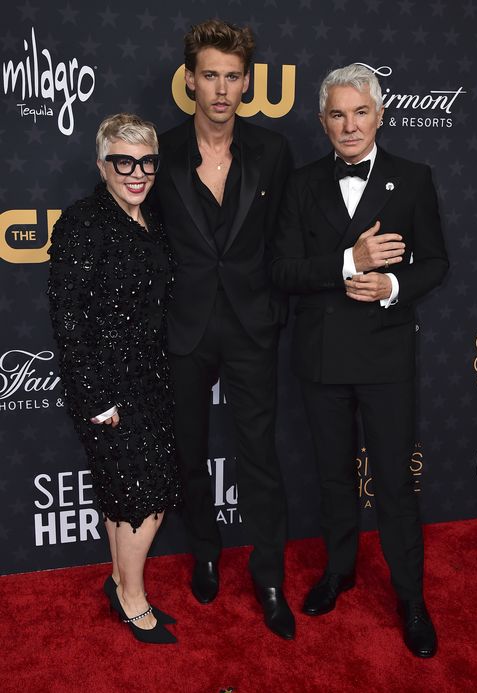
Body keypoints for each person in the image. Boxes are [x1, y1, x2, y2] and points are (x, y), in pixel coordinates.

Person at [272, 64, 448, 657]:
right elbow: (283, 271)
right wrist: (350, 261)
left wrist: (391, 285)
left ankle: (410, 597)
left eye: (360, 111)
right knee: (333, 476)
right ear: (322, 121)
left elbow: (437, 263)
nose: (349, 125)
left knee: (395, 484)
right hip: (321, 358)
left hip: (386, 354)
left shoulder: (415, 179)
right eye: (337, 114)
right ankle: (339, 571)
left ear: (380, 114)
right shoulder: (300, 184)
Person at [153, 19, 294, 639]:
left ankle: (268, 576)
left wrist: (274, 310)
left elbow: (285, 241)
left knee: (258, 456)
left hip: (251, 326)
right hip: (184, 326)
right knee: (189, 448)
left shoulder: (273, 150)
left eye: (232, 76)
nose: (220, 88)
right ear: (190, 80)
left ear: (246, 83)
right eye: (209, 74)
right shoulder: (161, 150)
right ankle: (205, 552)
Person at [47, 113, 180, 644]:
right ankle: (132, 597)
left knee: (124, 492)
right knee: (143, 493)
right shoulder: (83, 222)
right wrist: (98, 398)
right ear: (102, 165)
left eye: (146, 162)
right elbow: (68, 317)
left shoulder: (154, 219)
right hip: (104, 384)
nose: (137, 172)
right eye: (123, 161)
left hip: (151, 376)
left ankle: (118, 581)